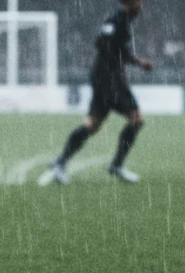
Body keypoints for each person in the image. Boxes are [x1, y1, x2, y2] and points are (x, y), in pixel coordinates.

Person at [50, 0, 153, 185]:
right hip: (109, 80)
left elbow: (110, 44)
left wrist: (131, 61)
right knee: (135, 119)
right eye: (140, 2)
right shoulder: (117, 19)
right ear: (133, 4)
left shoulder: (121, 20)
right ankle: (116, 165)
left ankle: (61, 161)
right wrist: (133, 62)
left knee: (93, 124)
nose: (142, 6)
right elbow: (101, 42)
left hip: (106, 78)